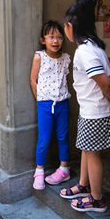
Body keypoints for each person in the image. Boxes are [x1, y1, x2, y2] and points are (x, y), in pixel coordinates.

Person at [60, 0, 110, 212]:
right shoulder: (96, 47)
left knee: (92, 154)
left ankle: (97, 199)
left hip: (95, 114)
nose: (65, 30)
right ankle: (83, 184)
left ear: (71, 27)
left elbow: (105, 83)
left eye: (65, 26)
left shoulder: (84, 52)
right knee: (86, 149)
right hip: (93, 112)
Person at [30, 20, 71, 190]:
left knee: (63, 136)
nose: (56, 41)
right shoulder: (39, 57)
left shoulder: (66, 58)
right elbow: (33, 80)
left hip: (63, 103)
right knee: (44, 138)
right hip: (45, 104)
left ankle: (64, 168)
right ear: (43, 39)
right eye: (51, 37)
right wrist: (40, 100)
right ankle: (39, 171)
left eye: (59, 37)